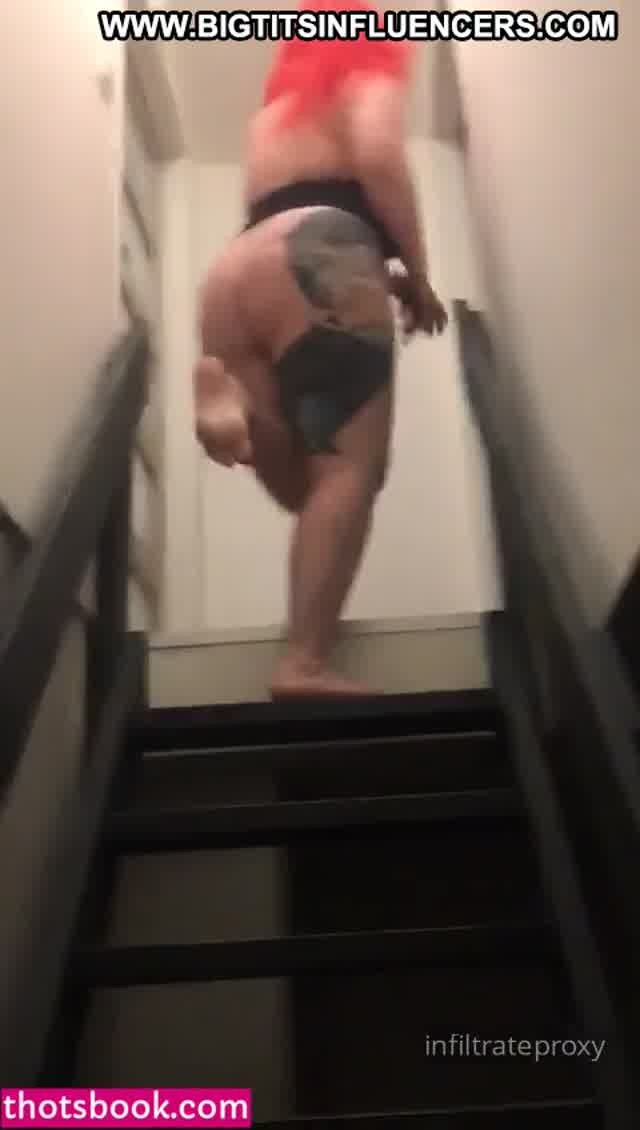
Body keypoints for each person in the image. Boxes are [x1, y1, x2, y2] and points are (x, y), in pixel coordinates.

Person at [195, 0, 448, 699]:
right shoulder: (369, 59)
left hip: (234, 271)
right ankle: (303, 661)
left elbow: (282, 204)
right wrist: (417, 273)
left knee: (303, 490)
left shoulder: (274, 113)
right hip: (320, 251)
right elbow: (377, 155)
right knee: (352, 470)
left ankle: (238, 412)